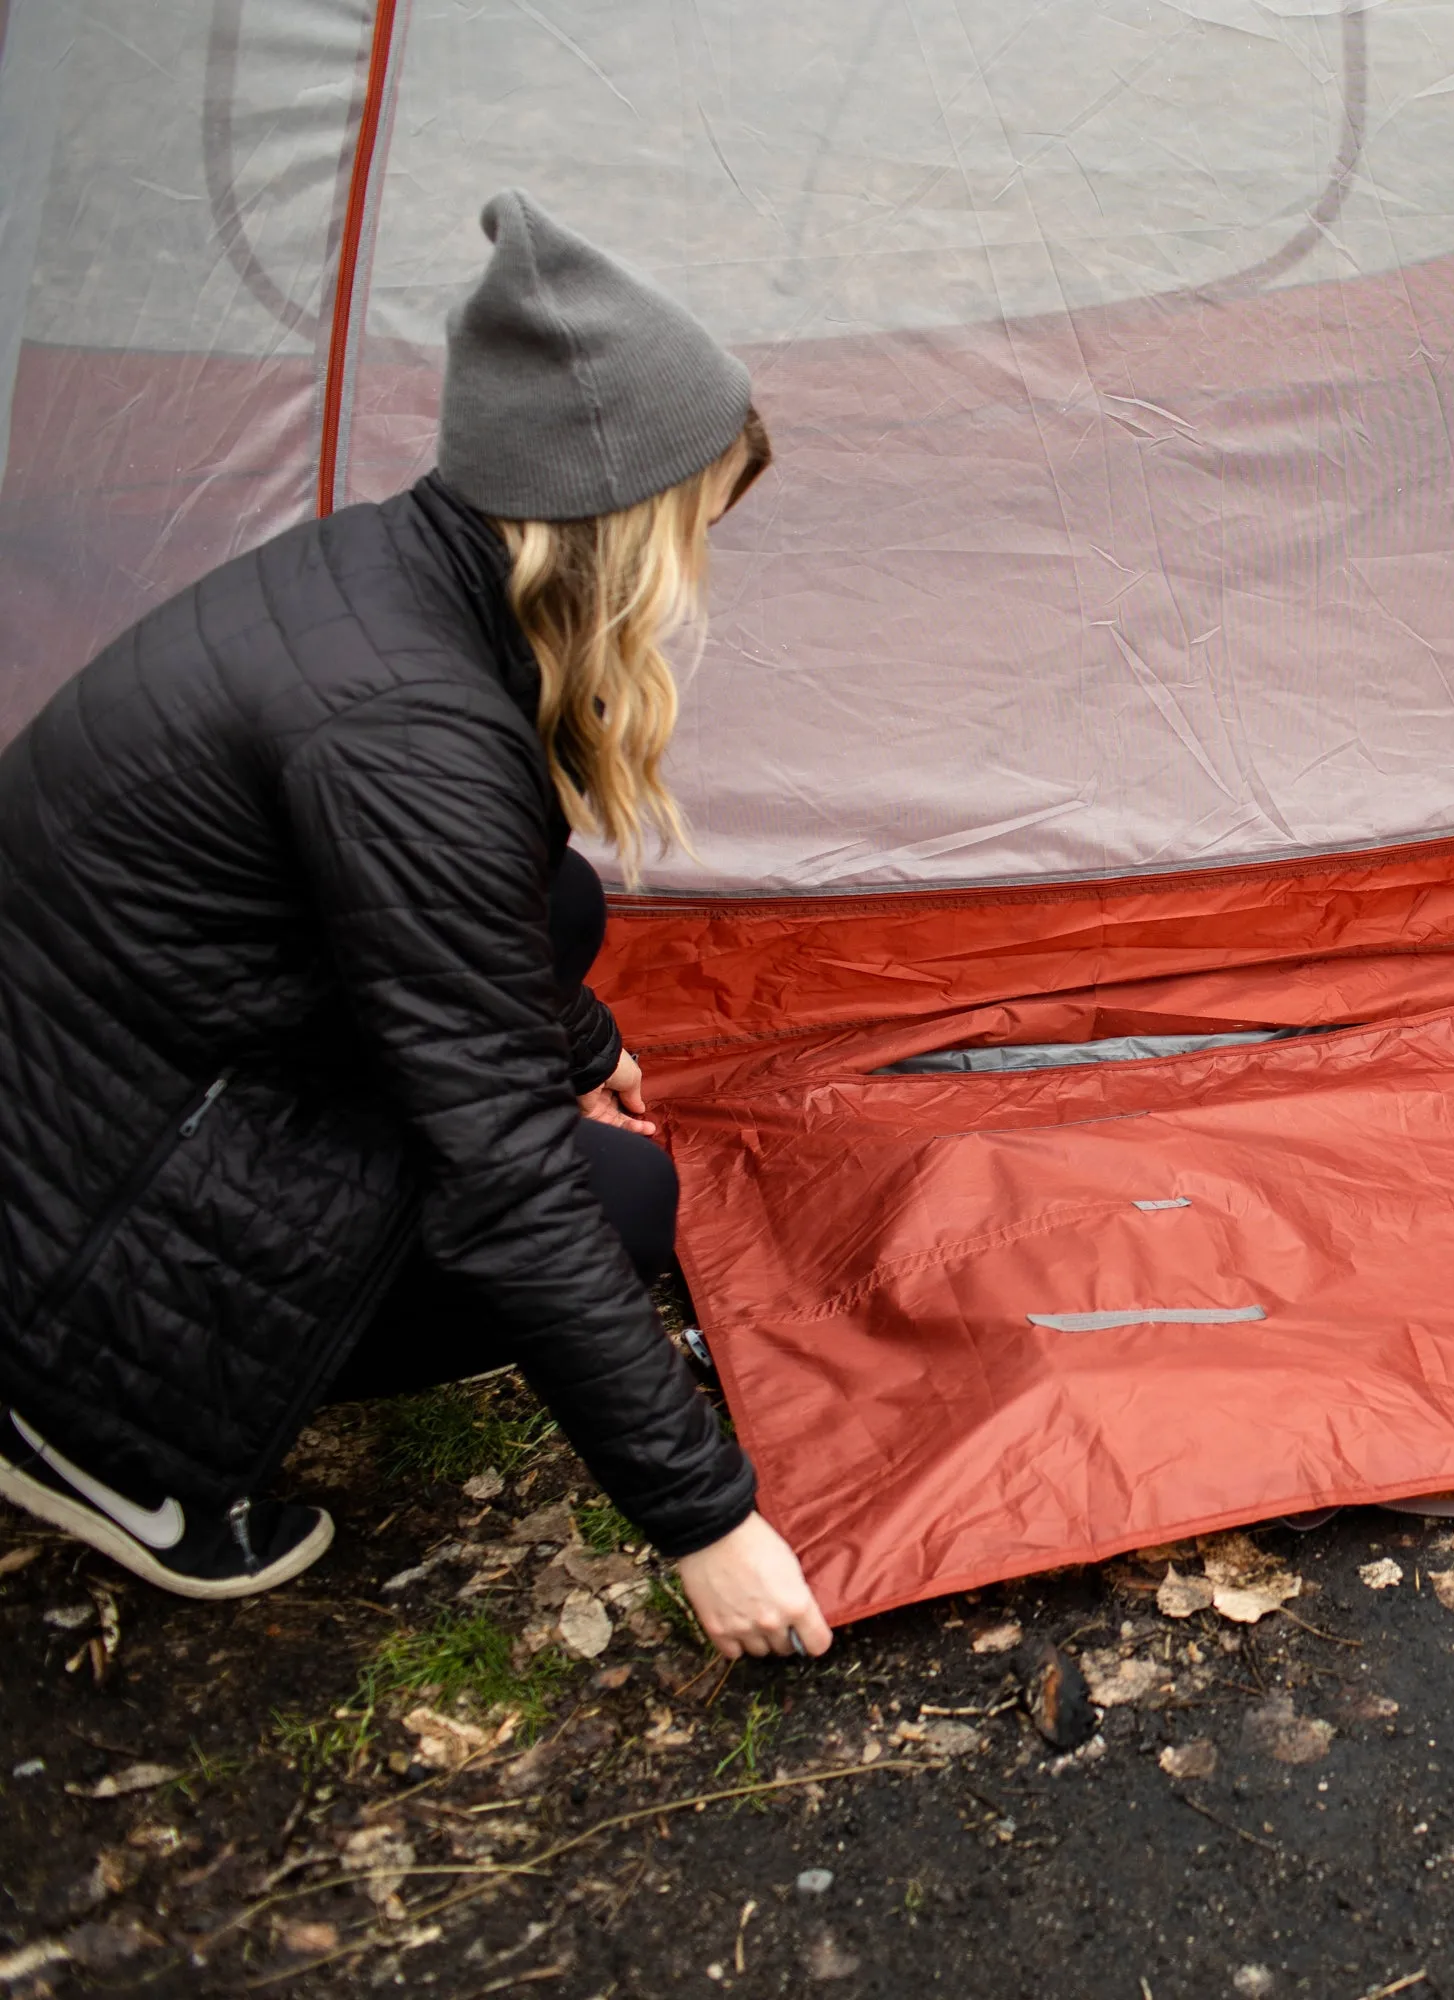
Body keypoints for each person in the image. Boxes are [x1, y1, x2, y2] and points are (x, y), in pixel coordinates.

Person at [0, 192, 832, 1659]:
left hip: (116, 1068)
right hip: (76, 1226)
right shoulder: (403, 730)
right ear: (615, 524)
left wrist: (577, 1032)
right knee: (614, 1207)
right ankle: (92, 1434)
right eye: (694, 526)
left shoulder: (390, 574)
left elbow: (459, 909)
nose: (699, 572)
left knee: (558, 903)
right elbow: (502, 1179)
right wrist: (705, 1520)